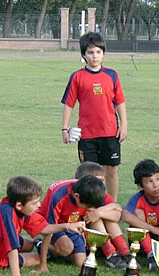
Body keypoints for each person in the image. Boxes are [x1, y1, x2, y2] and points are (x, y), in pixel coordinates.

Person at [0, 176, 85, 276]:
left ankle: (37, 245)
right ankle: (9, 262)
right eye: (35, 203)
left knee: (30, 245)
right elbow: (12, 248)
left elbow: (45, 228)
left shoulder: (18, 208)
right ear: (19, 205)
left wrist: (68, 226)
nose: (39, 205)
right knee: (37, 258)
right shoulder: (7, 214)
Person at [61, 32, 127, 202]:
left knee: (110, 170)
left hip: (110, 132)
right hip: (87, 135)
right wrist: (64, 129)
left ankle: (111, 204)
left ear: (103, 53)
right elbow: (69, 104)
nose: (94, 56)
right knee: (88, 173)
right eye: (90, 52)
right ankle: (90, 204)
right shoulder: (77, 77)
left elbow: (120, 102)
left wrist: (124, 126)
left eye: (98, 52)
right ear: (83, 55)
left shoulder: (112, 75)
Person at [35, 162, 130, 273]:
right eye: (88, 206)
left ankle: (118, 253)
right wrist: (43, 265)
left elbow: (117, 212)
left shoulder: (93, 190)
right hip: (57, 225)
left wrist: (99, 212)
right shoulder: (59, 196)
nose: (89, 208)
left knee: (80, 262)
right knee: (66, 248)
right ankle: (41, 245)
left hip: (76, 226)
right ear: (76, 197)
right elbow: (49, 228)